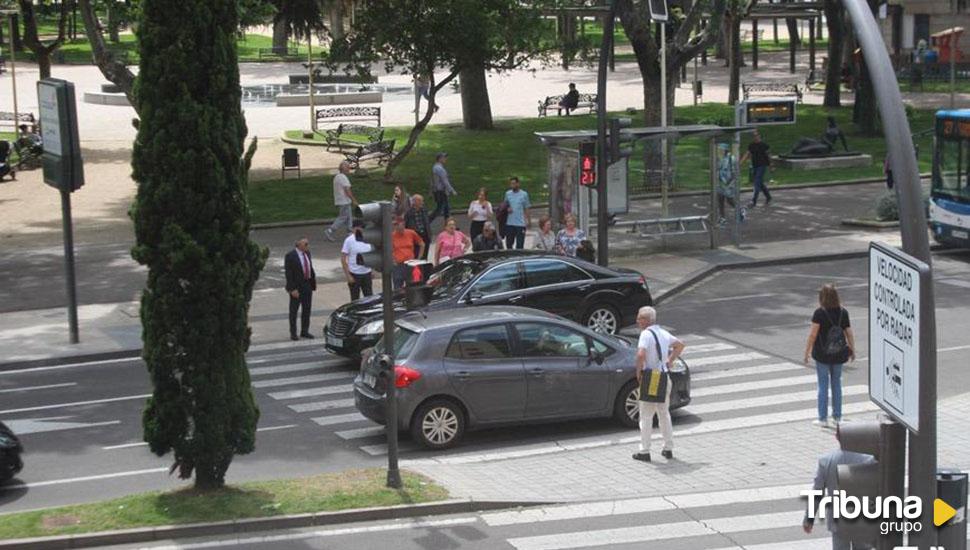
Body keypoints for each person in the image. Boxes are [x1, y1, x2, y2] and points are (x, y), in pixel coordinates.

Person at [803, 430, 875, 550]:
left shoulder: (826, 461)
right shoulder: (868, 460)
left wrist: (809, 519)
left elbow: (817, 491)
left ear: (837, 437)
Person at [632, 306, 685, 463]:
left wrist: (638, 372)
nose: (637, 321)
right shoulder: (663, 333)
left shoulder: (645, 335)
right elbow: (680, 345)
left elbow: (641, 354)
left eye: (640, 318)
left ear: (646, 320)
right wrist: (669, 360)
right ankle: (668, 448)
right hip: (663, 376)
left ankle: (645, 450)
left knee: (646, 415)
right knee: (664, 413)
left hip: (652, 377)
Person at [804, 284, 855, 429]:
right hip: (839, 354)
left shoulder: (819, 313)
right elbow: (849, 333)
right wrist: (853, 350)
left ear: (822, 297)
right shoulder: (843, 312)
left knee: (823, 385)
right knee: (837, 384)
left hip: (822, 354)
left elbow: (813, 334)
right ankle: (838, 417)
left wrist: (807, 351)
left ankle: (822, 418)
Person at [284, 237, 317, 341]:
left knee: (307, 309)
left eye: (308, 244)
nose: (308, 246)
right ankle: (293, 333)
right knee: (294, 311)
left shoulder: (307, 253)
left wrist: (312, 283)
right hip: (296, 286)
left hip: (307, 284)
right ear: (298, 244)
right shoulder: (290, 256)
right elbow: (289, 274)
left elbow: (310, 268)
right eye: (305, 244)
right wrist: (292, 289)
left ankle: (305, 331)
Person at [324, 161, 358, 242]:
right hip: (344, 201)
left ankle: (350, 232)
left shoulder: (337, 177)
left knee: (349, 217)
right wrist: (354, 200)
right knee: (343, 217)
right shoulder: (343, 178)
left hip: (342, 201)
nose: (349, 169)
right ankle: (330, 230)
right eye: (348, 167)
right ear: (344, 168)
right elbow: (347, 190)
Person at [340, 220, 373, 301]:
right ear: (355, 228)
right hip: (355, 274)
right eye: (361, 227)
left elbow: (371, 254)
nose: (363, 229)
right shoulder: (349, 240)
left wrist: (372, 270)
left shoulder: (367, 238)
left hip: (367, 273)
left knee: (369, 298)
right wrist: (348, 275)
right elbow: (343, 258)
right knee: (355, 299)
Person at [391, 216, 425, 290]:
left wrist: (419, 258)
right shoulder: (392, 236)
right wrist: (393, 260)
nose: (396, 227)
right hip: (398, 265)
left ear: (403, 224)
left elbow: (421, 244)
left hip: (410, 264)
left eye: (398, 225)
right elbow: (389, 250)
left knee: (412, 286)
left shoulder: (411, 233)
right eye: (395, 225)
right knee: (398, 287)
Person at [740, 130, 773, 207]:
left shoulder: (764, 145)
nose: (755, 137)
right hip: (755, 166)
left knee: (756, 183)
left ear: (759, 136)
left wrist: (771, 165)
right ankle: (768, 197)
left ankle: (753, 201)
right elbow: (747, 154)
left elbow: (769, 156)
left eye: (756, 136)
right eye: (754, 136)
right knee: (760, 183)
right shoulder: (751, 145)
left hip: (762, 166)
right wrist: (740, 163)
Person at [716, 143, 745, 226]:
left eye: (721, 149)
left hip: (729, 183)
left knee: (729, 200)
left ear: (725, 150)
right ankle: (722, 218)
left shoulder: (731, 159)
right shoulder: (719, 158)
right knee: (720, 200)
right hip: (720, 182)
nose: (719, 151)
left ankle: (740, 211)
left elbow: (734, 172)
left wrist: (729, 183)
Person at [503, 176, 531, 249]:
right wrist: (507, 208)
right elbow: (504, 205)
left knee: (520, 245)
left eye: (514, 183)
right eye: (511, 184)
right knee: (509, 244)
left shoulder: (524, 194)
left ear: (518, 184)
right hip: (510, 223)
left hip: (520, 224)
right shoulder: (507, 194)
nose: (512, 185)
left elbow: (527, 208)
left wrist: (528, 220)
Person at [429, 152, 457, 224]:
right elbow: (445, 181)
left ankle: (449, 225)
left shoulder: (435, 167)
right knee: (439, 209)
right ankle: (427, 221)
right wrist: (452, 190)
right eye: (444, 157)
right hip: (441, 191)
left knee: (446, 209)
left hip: (439, 191)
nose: (445, 159)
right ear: (440, 159)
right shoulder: (439, 169)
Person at [405, 194, 432, 260]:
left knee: (425, 256)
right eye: (420, 200)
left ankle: (424, 269)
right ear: (414, 202)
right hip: (415, 236)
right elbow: (406, 225)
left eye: (422, 201)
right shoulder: (408, 213)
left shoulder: (424, 210)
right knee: (416, 255)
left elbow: (427, 222)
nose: (422, 202)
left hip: (425, 235)